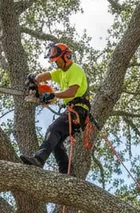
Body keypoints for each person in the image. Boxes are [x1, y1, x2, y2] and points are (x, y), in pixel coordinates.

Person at [20, 42, 90, 174]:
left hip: (79, 111)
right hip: (72, 110)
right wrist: (34, 78)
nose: (56, 63)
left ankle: (39, 159)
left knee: (53, 129)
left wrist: (53, 94)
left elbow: (71, 92)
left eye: (57, 61)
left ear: (66, 57)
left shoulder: (75, 69)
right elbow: (47, 75)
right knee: (57, 142)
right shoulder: (60, 72)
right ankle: (67, 173)